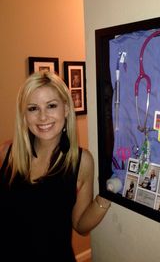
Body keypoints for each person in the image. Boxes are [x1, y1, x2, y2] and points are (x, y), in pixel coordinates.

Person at [0, 71, 111, 262]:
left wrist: (108, 196)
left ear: (66, 109)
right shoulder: (6, 154)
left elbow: (80, 225)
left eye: (51, 106)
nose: (43, 117)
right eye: (33, 108)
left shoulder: (81, 161)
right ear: (24, 115)